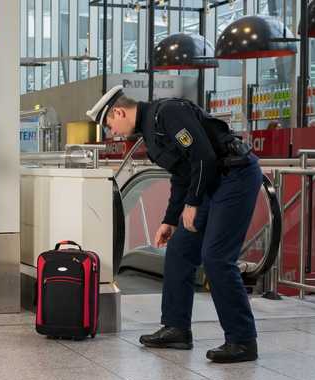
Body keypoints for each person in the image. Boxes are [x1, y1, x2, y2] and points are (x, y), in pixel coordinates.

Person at [87, 86, 262, 363]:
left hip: (235, 176)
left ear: (119, 111)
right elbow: (181, 176)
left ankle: (242, 341)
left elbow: (203, 157)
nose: (112, 132)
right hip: (210, 183)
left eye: (110, 124)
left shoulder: (168, 113)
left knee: (216, 258)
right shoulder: (150, 133)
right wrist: (169, 220)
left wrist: (192, 204)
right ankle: (177, 328)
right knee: (180, 252)